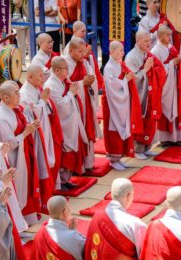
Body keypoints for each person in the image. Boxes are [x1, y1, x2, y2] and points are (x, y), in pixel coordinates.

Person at [0, 80, 42, 225]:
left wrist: (29, 128)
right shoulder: (2, 117)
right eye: (16, 93)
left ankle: (29, 216)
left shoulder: (13, 109)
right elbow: (9, 144)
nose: (19, 94)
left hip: (24, 152)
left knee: (28, 183)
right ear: (6, 97)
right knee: (19, 187)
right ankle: (20, 219)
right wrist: (26, 132)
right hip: (15, 158)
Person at [44, 56, 88, 189]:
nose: (67, 72)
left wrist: (72, 91)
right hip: (60, 124)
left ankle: (66, 179)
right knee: (62, 152)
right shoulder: (51, 85)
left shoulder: (62, 81)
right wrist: (70, 94)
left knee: (70, 151)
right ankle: (61, 182)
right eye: (65, 69)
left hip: (69, 122)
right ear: (56, 70)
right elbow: (60, 105)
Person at [84, 178, 147, 260]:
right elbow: (145, 257)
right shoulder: (135, 225)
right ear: (129, 195)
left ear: (111, 193)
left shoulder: (97, 217)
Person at [20, 64, 63, 191]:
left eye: (43, 75)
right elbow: (30, 115)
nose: (42, 78)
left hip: (45, 130)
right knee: (41, 163)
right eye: (40, 76)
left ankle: (53, 187)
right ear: (30, 77)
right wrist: (43, 101)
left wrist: (44, 101)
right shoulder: (24, 94)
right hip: (37, 134)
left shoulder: (37, 88)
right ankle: (45, 193)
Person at [125, 30, 166, 160]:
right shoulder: (131, 57)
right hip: (138, 94)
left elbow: (160, 70)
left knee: (149, 119)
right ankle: (137, 149)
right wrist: (146, 70)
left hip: (149, 92)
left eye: (149, 40)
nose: (149, 43)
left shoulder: (148, 54)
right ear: (137, 41)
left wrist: (153, 71)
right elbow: (132, 78)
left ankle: (147, 147)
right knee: (139, 119)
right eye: (146, 41)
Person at [102, 41, 143, 170]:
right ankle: (113, 159)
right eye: (119, 50)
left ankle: (119, 157)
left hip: (121, 103)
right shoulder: (108, 67)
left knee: (123, 127)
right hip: (112, 103)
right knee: (114, 130)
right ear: (112, 52)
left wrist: (127, 80)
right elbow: (112, 86)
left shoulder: (120, 65)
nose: (122, 52)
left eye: (122, 50)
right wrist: (126, 80)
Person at [65, 37, 102, 170]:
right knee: (78, 132)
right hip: (75, 104)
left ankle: (88, 163)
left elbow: (93, 80)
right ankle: (78, 165)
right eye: (79, 52)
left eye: (84, 51)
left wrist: (90, 83)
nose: (83, 54)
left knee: (88, 129)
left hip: (86, 100)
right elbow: (66, 85)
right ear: (70, 51)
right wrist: (82, 83)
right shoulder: (66, 64)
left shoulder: (85, 63)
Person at [151, 26, 181, 146]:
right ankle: (165, 139)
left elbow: (176, 63)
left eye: (170, 35)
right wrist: (172, 64)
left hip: (174, 83)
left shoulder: (171, 48)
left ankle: (177, 137)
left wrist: (177, 64)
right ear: (160, 36)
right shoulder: (155, 51)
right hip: (164, 87)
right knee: (165, 109)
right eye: (167, 35)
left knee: (177, 108)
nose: (170, 38)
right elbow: (156, 71)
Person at [30, 196, 86, 260]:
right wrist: (74, 231)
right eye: (69, 211)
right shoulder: (72, 237)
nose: (70, 213)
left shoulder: (40, 233)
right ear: (64, 212)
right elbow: (87, 249)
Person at [63, 21, 104, 91]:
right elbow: (70, 63)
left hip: (86, 78)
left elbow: (88, 63)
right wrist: (85, 55)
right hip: (78, 83)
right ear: (74, 31)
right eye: (82, 31)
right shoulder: (70, 46)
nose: (85, 33)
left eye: (85, 31)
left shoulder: (83, 43)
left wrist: (88, 56)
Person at [13, 0, 30, 70]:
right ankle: (22, 64)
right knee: (21, 44)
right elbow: (17, 4)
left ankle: (33, 62)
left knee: (31, 43)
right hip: (20, 22)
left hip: (31, 21)